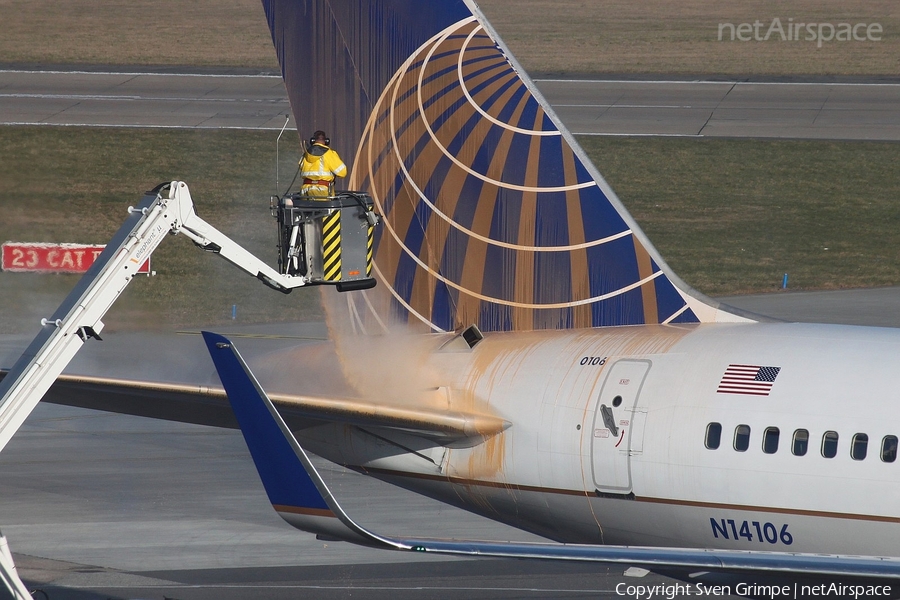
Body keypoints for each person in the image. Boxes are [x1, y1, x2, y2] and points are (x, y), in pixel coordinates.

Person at [299, 130, 347, 198]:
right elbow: (343, 172)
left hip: (305, 190)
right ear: (326, 141)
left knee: (307, 208)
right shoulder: (329, 154)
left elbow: (300, 166)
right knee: (323, 208)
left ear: (312, 141)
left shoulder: (306, 154)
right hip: (322, 191)